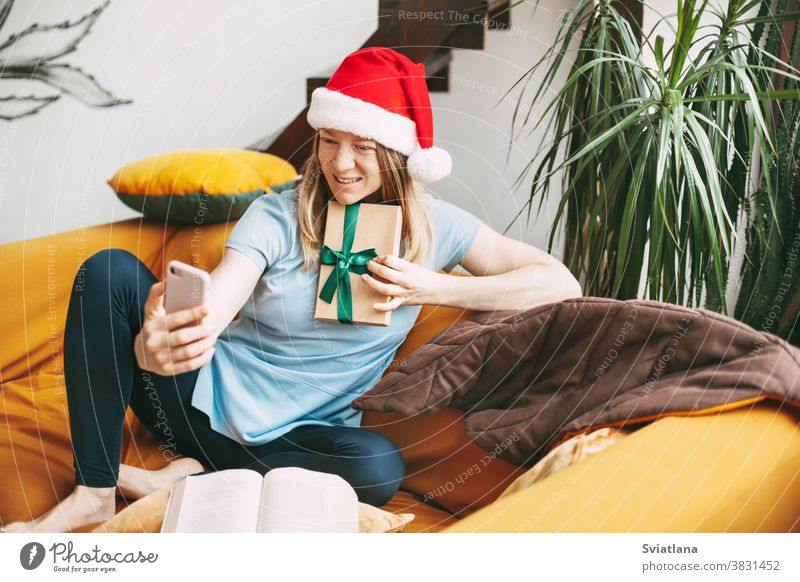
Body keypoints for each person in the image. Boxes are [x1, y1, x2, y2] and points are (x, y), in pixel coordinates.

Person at [3, 47, 581, 533]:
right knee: (106, 270)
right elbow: (224, 295)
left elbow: (560, 282)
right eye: (330, 142)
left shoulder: (436, 227)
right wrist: (176, 337)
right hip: (203, 404)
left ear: (399, 155)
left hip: (304, 438)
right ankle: (96, 489)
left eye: (363, 147)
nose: (341, 164)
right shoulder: (276, 216)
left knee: (378, 469)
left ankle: (191, 475)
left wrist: (437, 288)